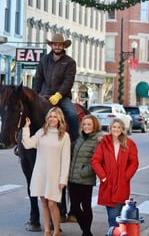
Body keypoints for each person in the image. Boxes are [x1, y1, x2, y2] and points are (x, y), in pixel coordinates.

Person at [34, 33, 79, 222]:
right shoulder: (44, 60)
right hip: (44, 96)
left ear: (63, 45)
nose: (57, 46)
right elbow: (38, 78)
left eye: (60, 44)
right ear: (51, 44)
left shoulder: (69, 62)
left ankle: (76, 141)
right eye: (55, 44)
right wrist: (36, 96)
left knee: (72, 115)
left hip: (63, 97)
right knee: (31, 116)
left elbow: (68, 81)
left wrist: (59, 95)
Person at [21, 107, 71, 236]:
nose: (52, 119)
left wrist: (63, 179)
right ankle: (47, 230)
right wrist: (26, 128)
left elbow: (66, 159)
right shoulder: (41, 132)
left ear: (59, 119)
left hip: (55, 174)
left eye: (55, 116)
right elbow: (27, 144)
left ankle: (56, 230)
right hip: (40, 172)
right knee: (43, 202)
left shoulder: (64, 136)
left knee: (52, 203)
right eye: (50, 116)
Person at [91, 118, 139, 228]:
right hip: (108, 185)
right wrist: (103, 177)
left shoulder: (130, 143)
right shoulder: (104, 142)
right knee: (113, 217)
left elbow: (134, 163)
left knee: (119, 218)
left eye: (119, 127)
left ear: (122, 129)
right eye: (114, 127)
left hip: (122, 185)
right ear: (110, 128)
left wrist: (126, 177)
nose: (116, 129)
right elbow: (95, 161)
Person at [68, 115, 103, 236]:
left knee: (86, 206)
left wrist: (83, 172)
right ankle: (86, 230)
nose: (86, 127)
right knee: (75, 207)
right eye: (84, 124)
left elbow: (97, 161)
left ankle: (86, 232)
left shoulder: (98, 140)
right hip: (72, 179)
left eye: (89, 124)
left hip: (85, 180)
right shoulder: (80, 139)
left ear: (94, 126)